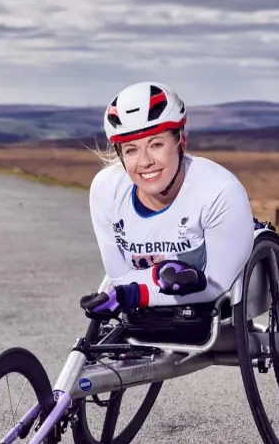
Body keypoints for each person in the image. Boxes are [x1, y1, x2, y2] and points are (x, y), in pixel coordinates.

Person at [80, 81, 255, 318]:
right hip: (144, 314)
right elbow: (120, 277)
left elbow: (216, 286)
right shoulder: (106, 189)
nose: (145, 162)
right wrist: (154, 279)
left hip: (211, 318)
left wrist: (135, 293)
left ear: (181, 142)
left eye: (156, 145)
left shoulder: (220, 192)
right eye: (131, 150)